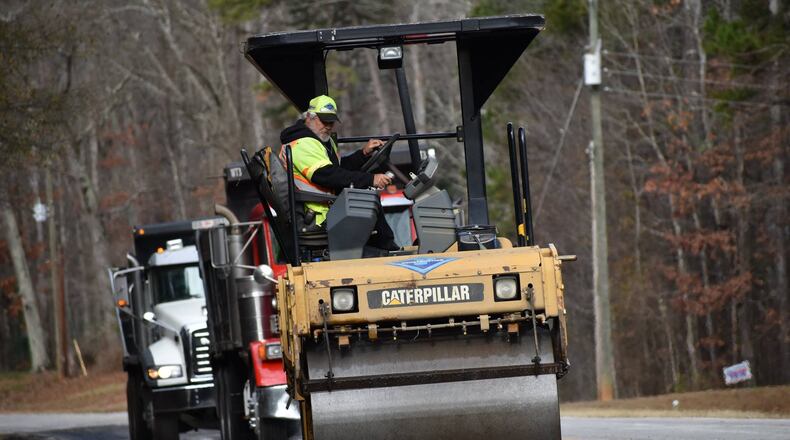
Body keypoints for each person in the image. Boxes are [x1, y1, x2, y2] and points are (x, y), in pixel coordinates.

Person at [278, 95, 398, 250]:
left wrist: (363, 154)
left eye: (331, 121)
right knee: (367, 198)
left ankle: (385, 250)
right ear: (309, 117)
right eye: (324, 121)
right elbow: (327, 175)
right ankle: (388, 250)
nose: (328, 126)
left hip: (327, 205)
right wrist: (371, 179)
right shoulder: (303, 143)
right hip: (317, 214)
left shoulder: (320, 140)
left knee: (367, 196)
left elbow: (338, 169)